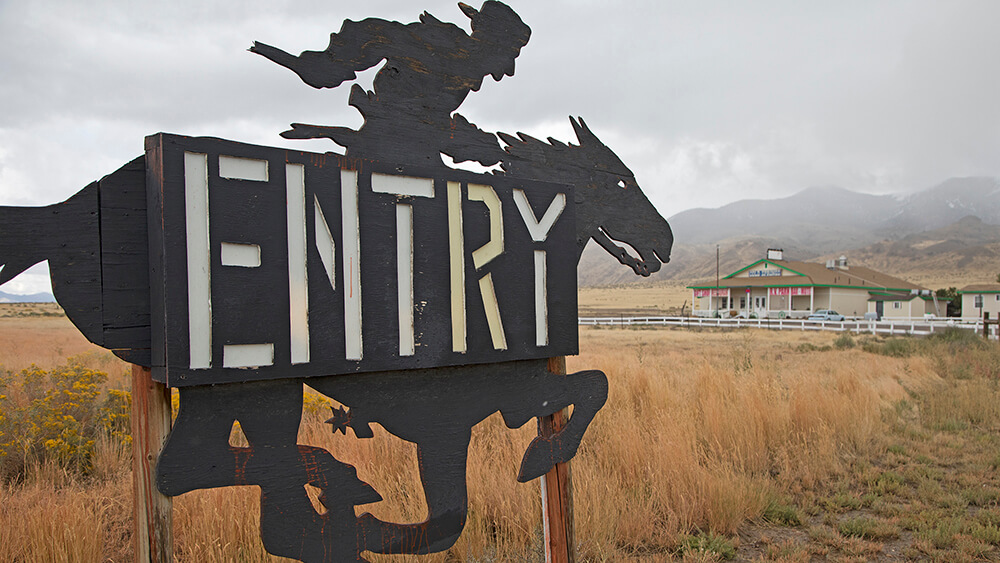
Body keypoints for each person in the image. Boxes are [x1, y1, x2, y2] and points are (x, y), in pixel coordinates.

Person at [251, 1, 530, 167]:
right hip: (388, 150)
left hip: (417, 151)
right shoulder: (443, 45)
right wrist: (316, 65)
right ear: (490, 44)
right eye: (510, 54)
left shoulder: (464, 64)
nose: (508, 69)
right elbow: (379, 35)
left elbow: (435, 124)